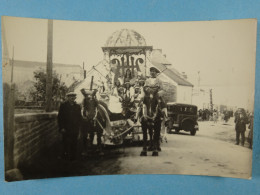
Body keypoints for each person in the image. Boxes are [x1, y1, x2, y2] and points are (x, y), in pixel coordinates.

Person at [58, 92, 82, 161]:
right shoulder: (63, 105)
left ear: (75, 98)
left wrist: (79, 127)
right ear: (67, 97)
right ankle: (64, 156)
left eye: (73, 96)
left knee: (74, 143)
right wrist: (61, 127)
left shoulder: (77, 106)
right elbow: (60, 117)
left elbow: (79, 117)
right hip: (66, 128)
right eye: (70, 96)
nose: (72, 98)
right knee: (65, 142)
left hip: (75, 128)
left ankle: (73, 157)